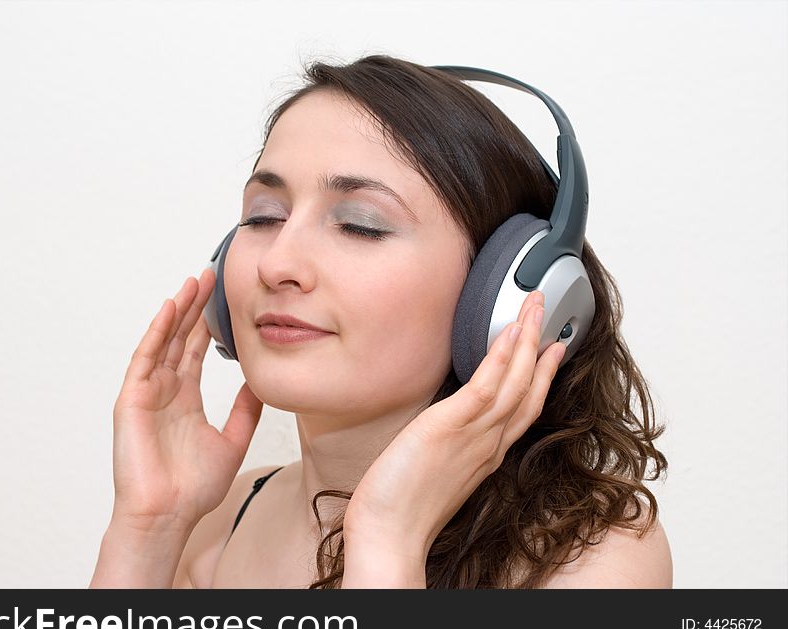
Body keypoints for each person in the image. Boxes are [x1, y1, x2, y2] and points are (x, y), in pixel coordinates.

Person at [90, 54, 671, 589]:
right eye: (264, 216)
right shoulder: (222, 525)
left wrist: (387, 539)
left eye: (361, 225)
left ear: (504, 296)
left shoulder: (591, 559)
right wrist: (150, 528)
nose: (277, 263)